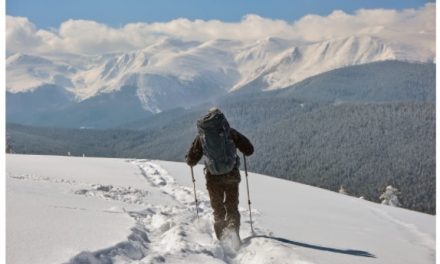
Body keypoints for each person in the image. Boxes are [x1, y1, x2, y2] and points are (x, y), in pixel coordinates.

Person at [185, 108, 254, 241]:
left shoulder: (202, 136)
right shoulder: (229, 132)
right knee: (232, 207)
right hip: (231, 176)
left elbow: (191, 161)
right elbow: (249, 150)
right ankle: (234, 238)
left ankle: (222, 242)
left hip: (212, 178)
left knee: (218, 211)